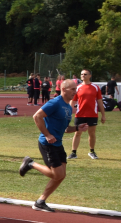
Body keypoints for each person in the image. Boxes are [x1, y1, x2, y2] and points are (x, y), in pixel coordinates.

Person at [18, 79, 87, 212]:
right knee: (56, 175)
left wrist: (78, 127)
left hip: (58, 144)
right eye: (73, 89)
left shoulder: (68, 106)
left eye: (75, 89)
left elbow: (65, 129)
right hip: (47, 143)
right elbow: (37, 116)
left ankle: (40, 201)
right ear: (64, 89)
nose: (75, 91)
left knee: (61, 175)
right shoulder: (55, 102)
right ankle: (30, 163)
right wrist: (47, 134)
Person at [69, 69, 105, 160]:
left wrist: (103, 115)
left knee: (92, 133)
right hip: (80, 114)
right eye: (81, 74)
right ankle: (73, 153)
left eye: (85, 74)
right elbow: (73, 101)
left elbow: (100, 102)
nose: (83, 76)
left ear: (90, 76)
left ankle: (92, 151)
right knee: (77, 133)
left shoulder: (95, 87)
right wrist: (68, 112)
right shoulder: (77, 87)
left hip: (92, 114)